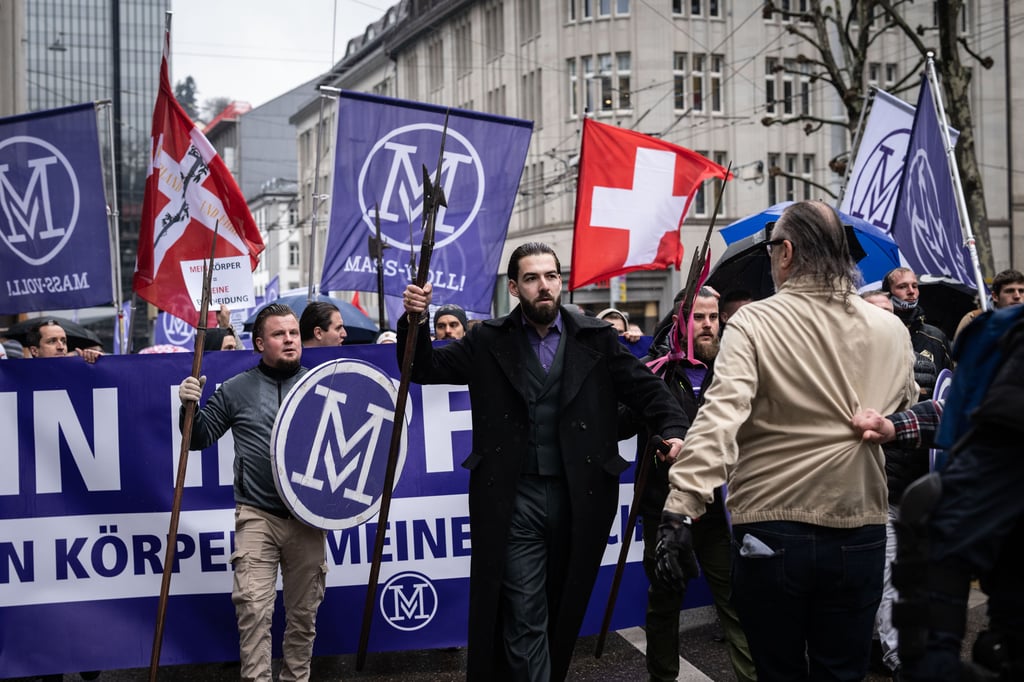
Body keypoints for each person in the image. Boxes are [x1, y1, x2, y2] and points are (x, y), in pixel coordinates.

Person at [398, 241, 688, 682]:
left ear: (560, 281)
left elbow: (645, 389)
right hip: (514, 500)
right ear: (514, 288)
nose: (544, 286)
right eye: (532, 278)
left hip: (583, 497)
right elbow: (423, 368)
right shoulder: (486, 340)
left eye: (551, 276)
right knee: (524, 611)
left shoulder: (595, 337)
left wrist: (672, 429)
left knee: (563, 605)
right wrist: (414, 320)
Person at [656, 201, 918, 680]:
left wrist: (681, 507)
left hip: (772, 530)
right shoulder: (892, 328)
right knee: (843, 670)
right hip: (860, 527)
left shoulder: (754, 323)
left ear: (787, 252)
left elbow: (720, 417)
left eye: (773, 247)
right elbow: (903, 408)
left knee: (776, 671)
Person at [177, 303, 327, 682]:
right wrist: (188, 406)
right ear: (260, 343)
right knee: (254, 613)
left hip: (308, 518)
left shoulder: (321, 385)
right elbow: (198, 438)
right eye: (279, 334)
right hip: (257, 517)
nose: (290, 340)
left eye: (293, 333)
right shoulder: (235, 389)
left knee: (303, 617)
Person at [622, 287, 755, 682]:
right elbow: (617, 423)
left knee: (736, 603)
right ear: (680, 320)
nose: (709, 325)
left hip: (720, 512)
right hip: (667, 510)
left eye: (714, 317)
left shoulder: (734, 368)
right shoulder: (655, 369)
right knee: (665, 603)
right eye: (699, 317)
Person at [861, 288, 923, 677]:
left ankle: (896, 653)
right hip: (865, 494)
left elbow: (937, 414)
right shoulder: (847, 369)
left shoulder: (913, 359)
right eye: (876, 313)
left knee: (902, 580)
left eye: (891, 313)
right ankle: (891, 655)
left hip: (908, 491)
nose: (887, 320)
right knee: (878, 580)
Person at [882, 267, 952, 396]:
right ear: (888, 293)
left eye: (915, 286)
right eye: (902, 287)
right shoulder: (879, 334)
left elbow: (947, 384)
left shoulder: (936, 337)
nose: (911, 291)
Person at [953, 268, 1024, 340]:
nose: (1017, 296)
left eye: (1021, 291)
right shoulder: (973, 319)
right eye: (1010, 291)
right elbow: (961, 350)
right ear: (995, 296)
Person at [24, 319, 102, 363]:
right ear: (34, 351)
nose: (61, 347)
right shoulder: (22, 377)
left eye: (63, 341)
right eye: (52, 341)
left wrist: (98, 362)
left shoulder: (79, 370)